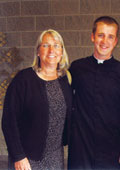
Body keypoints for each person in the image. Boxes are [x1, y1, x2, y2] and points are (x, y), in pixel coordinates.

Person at [68, 16, 120, 170]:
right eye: (100, 35)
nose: (105, 41)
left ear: (116, 41)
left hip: (111, 147)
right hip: (81, 145)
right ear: (92, 37)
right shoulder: (77, 68)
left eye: (110, 37)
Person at [2, 29, 72, 170]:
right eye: (45, 45)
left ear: (62, 52)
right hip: (27, 159)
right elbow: (9, 121)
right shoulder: (24, 79)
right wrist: (18, 156)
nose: (51, 50)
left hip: (55, 158)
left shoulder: (65, 80)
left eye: (57, 45)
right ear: (38, 51)